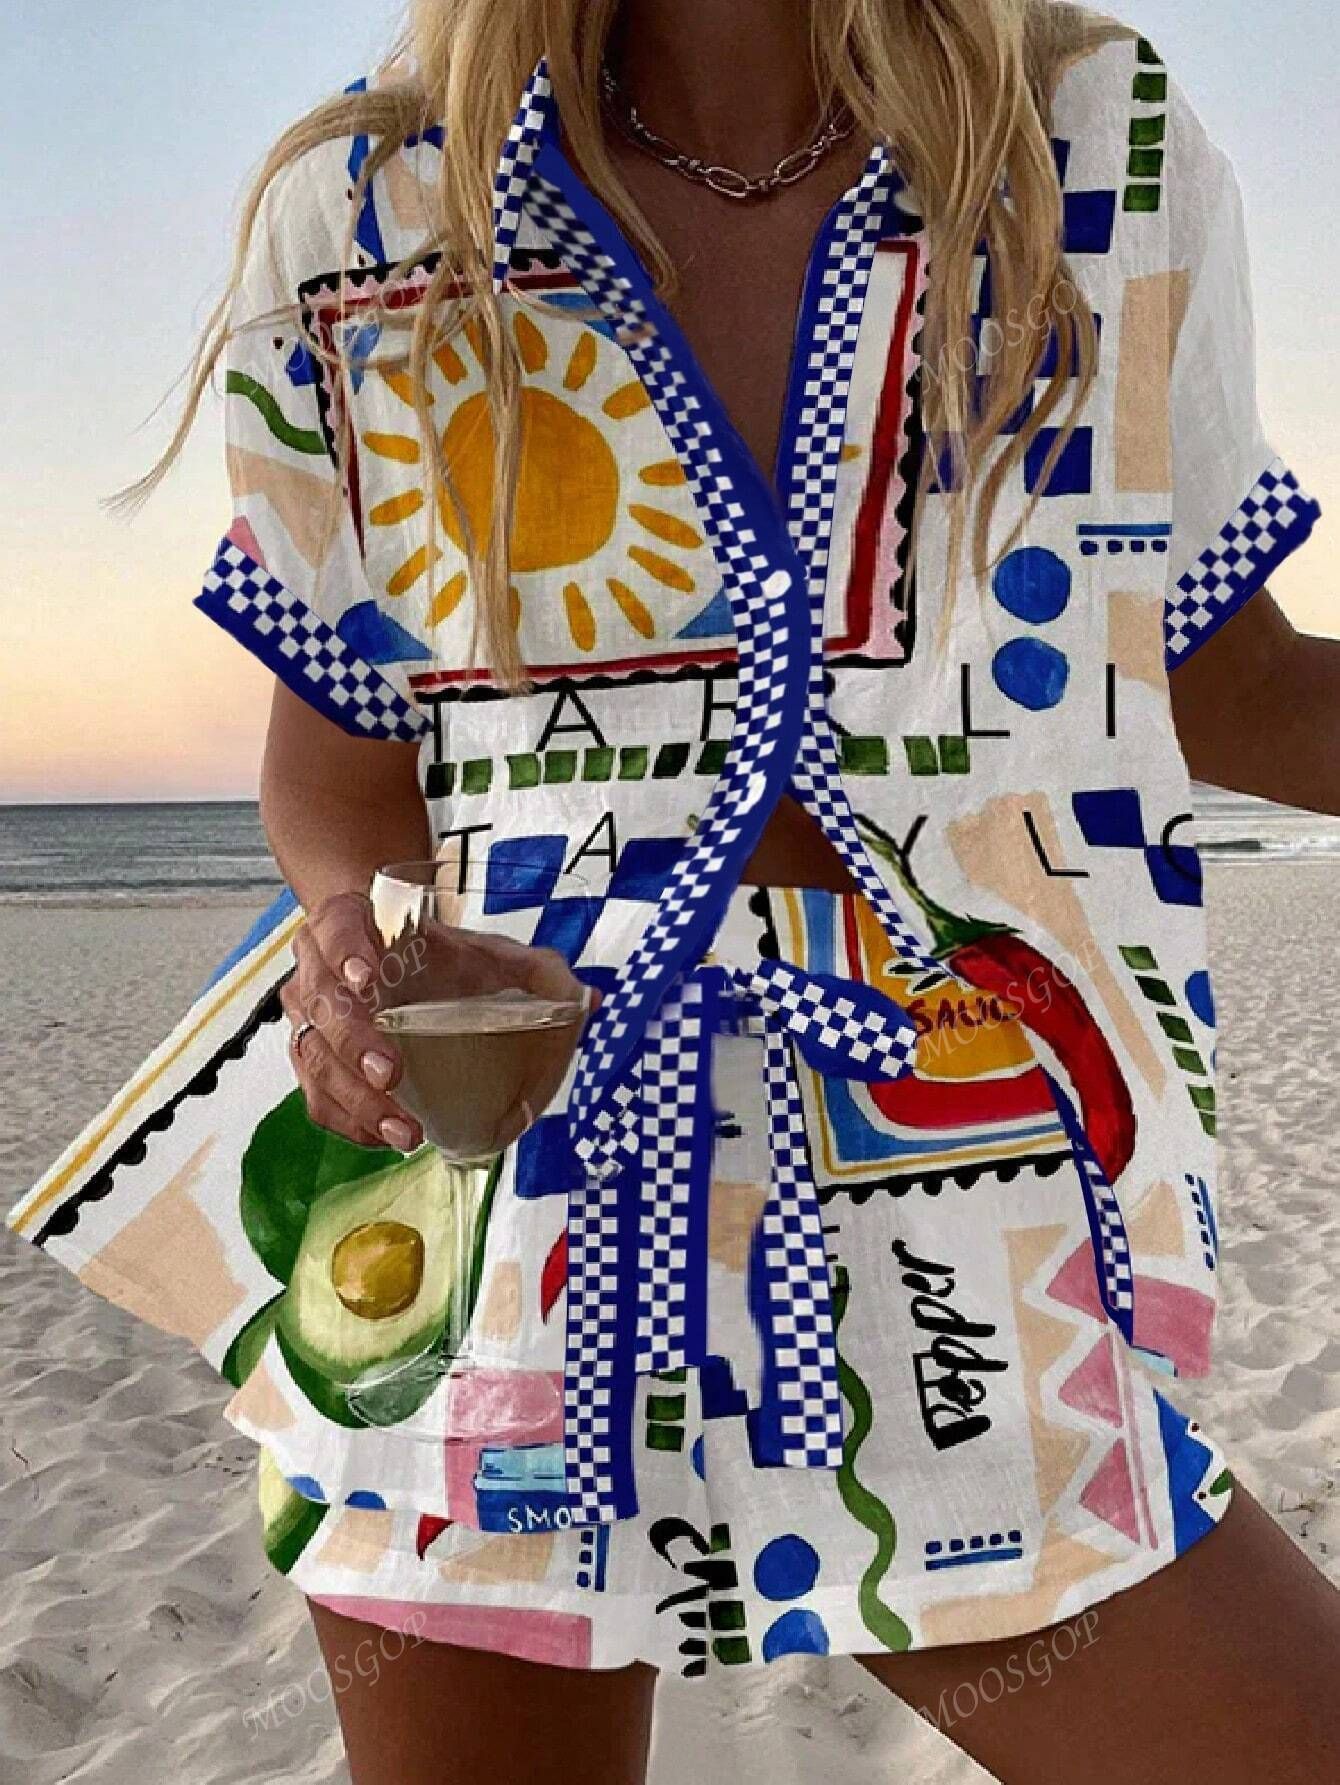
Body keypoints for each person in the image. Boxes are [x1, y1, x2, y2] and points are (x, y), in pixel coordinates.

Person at [9, 3, 1340, 1781]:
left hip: (969, 1191)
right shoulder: (374, 204)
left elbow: (1231, 678)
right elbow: (338, 783)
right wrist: (348, 944)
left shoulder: (1088, 144)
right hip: (510, 1214)